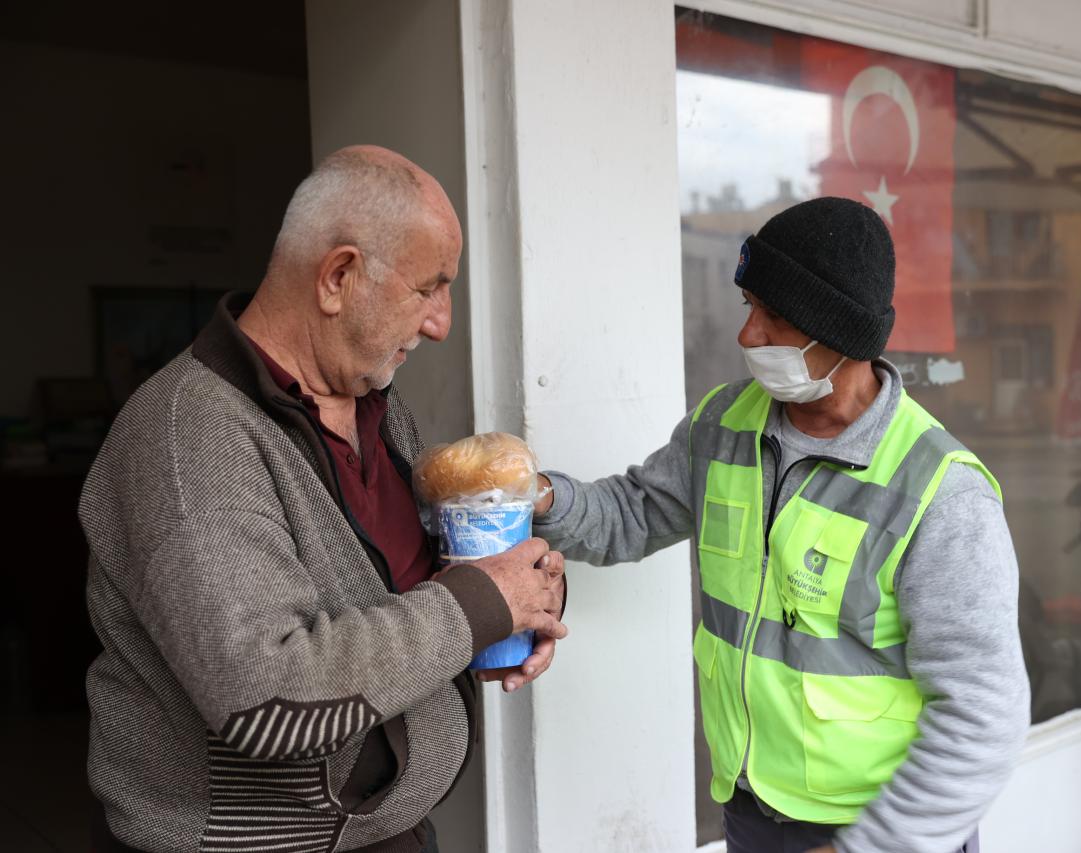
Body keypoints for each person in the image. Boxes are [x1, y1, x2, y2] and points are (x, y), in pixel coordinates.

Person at [80, 145, 567, 853]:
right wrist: (480, 604)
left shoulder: (376, 405)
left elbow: (415, 585)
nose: (442, 322)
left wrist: (521, 596)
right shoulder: (188, 435)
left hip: (384, 831)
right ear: (338, 277)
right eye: (430, 286)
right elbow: (264, 697)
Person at [532, 198, 1029, 853]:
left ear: (839, 334)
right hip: (752, 814)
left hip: (879, 830)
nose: (748, 336)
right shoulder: (724, 424)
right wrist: (536, 496)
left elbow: (982, 715)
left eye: (775, 317)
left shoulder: (941, 492)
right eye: (749, 308)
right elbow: (632, 514)